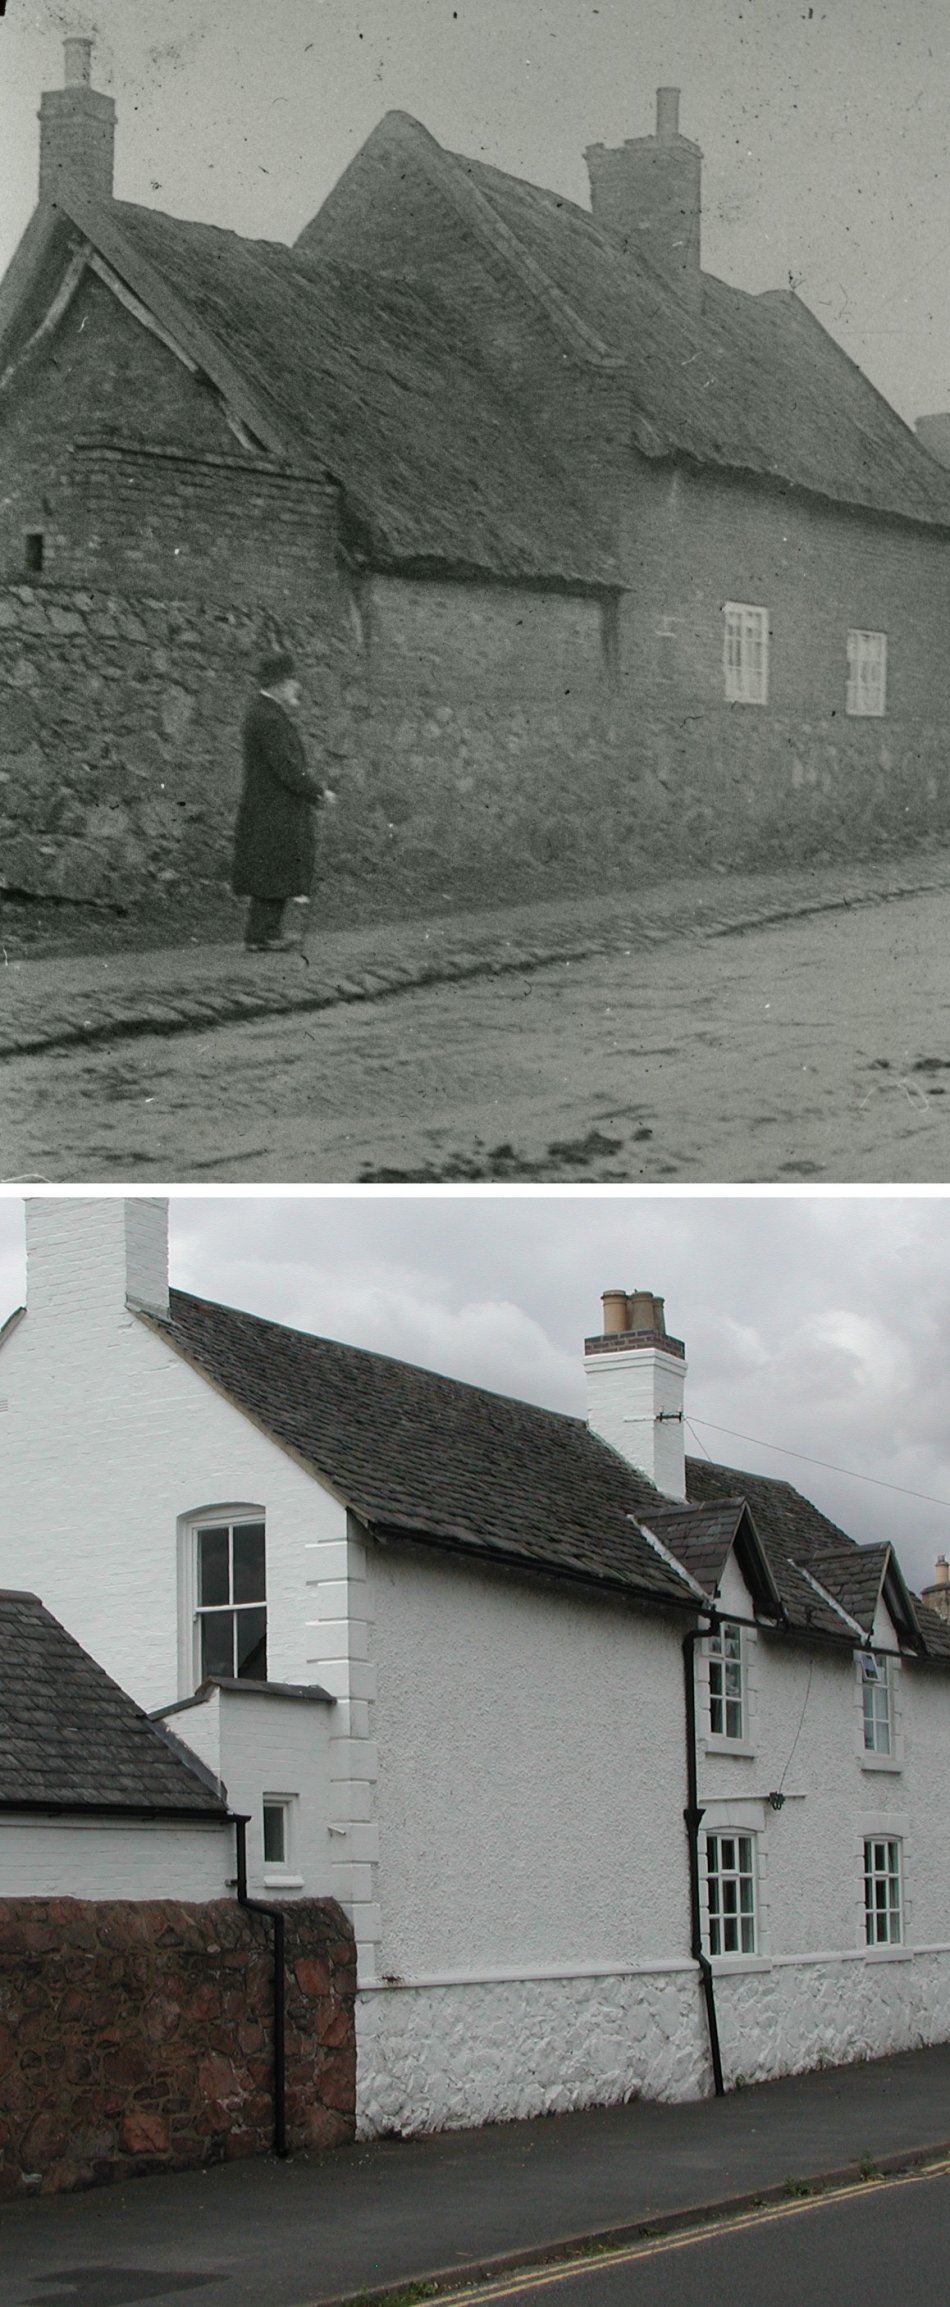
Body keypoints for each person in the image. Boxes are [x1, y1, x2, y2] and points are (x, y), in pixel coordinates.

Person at [232, 652, 334, 951]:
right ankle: (262, 935)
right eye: (291, 682)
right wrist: (318, 792)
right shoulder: (269, 718)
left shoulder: (263, 713)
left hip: (270, 806)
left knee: (273, 868)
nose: (295, 688)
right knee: (273, 869)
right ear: (277, 684)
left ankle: (266, 933)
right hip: (273, 808)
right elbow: (287, 767)